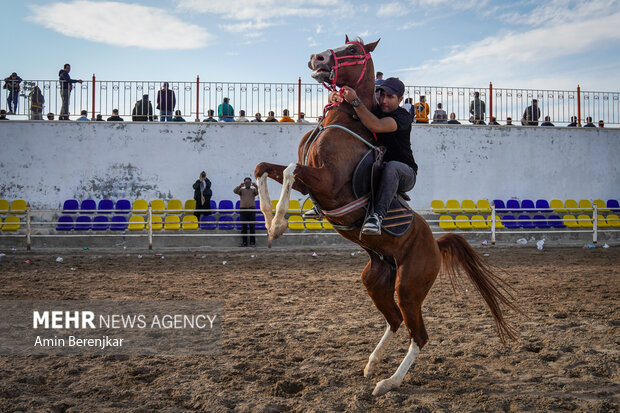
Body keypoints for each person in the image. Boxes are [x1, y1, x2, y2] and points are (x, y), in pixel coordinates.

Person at [332, 77, 417, 235]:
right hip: (379, 169)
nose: (384, 100)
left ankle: (377, 216)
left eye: (390, 97)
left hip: (405, 172)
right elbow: (356, 111)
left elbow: (376, 125)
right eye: (382, 95)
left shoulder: (403, 117)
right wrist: (336, 96)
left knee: (393, 167)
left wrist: (356, 101)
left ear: (400, 99)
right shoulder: (375, 110)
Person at [233, 177, 258, 247]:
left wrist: (256, 186)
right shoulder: (241, 190)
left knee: (252, 227)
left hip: (251, 210)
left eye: (249, 182)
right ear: (244, 183)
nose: (247, 183)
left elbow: (260, 191)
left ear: (250, 183)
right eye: (246, 182)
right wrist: (240, 185)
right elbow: (234, 191)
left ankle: (252, 243)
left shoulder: (253, 190)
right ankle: (244, 243)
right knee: (243, 227)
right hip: (243, 210)